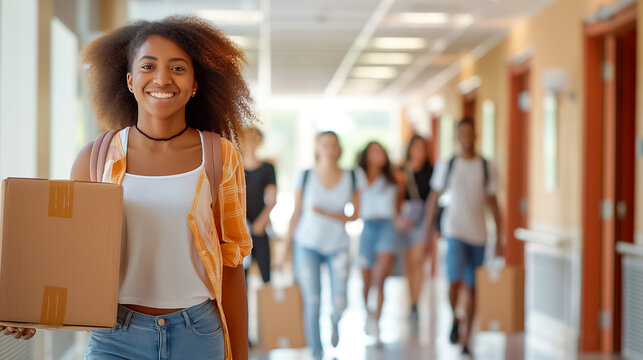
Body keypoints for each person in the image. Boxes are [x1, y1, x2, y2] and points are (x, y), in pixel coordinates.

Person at [0, 16, 256, 360]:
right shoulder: (95, 157)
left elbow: (231, 264)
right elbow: (67, 256)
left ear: (195, 84)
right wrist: (28, 310)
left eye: (178, 68)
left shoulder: (220, 156)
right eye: (148, 66)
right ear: (130, 81)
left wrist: (239, 354)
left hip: (198, 334)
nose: (162, 78)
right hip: (115, 337)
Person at [275, 131, 359, 360]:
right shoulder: (305, 176)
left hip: (338, 246)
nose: (330, 150)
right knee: (312, 301)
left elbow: (355, 215)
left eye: (334, 146)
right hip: (307, 244)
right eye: (325, 145)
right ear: (318, 148)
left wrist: (327, 213)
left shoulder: (352, 176)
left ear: (339, 149)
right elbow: (297, 213)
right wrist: (283, 249)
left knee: (340, 301)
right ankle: (317, 352)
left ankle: (335, 321)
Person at [424, 117, 503, 356]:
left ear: (476, 135)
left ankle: (467, 337)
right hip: (454, 231)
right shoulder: (447, 165)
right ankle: (456, 317)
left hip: (479, 235)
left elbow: (494, 203)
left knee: (473, 287)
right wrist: (427, 231)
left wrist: (500, 238)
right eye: (462, 134)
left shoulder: (486, 166)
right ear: (457, 137)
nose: (466, 138)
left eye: (470, 133)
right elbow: (434, 198)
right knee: (454, 282)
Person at [355, 141, 401, 346]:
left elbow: (398, 207)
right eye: (375, 151)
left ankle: (377, 323)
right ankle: (367, 312)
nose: (379, 155)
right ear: (367, 155)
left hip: (388, 227)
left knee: (380, 278)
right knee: (366, 280)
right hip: (367, 227)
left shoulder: (395, 177)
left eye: (382, 151)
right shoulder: (358, 176)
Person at [395, 134, 433, 324]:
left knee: (419, 261)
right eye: (416, 148)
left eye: (423, 148)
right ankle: (411, 301)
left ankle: (416, 303)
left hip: (421, 222)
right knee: (409, 264)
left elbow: (433, 200)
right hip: (404, 223)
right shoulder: (400, 171)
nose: (420, 152)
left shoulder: (431, 172)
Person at [241, 126, 277, 285]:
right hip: (239, 228)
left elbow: (272, 199)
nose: (249, 144)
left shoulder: (267, 168)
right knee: (241, 277)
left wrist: (261, 222)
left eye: (254, 140)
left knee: (266, 276)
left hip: (260, 227)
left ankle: (268, 309)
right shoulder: (233, 166)